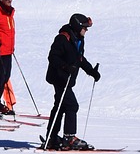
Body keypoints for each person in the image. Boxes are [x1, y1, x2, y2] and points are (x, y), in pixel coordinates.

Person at [42, 13, 100, 151]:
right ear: (77, 26)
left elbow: (79, 58)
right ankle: (69, 137)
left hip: (67, 79)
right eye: (85, 27)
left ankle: (52, 138)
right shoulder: (62, 38)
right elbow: (52, 57)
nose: (86, 30)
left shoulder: (78, 39)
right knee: (72, 106)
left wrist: (91, 71)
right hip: (59, 78)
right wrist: (65, 66)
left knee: (60, 107)